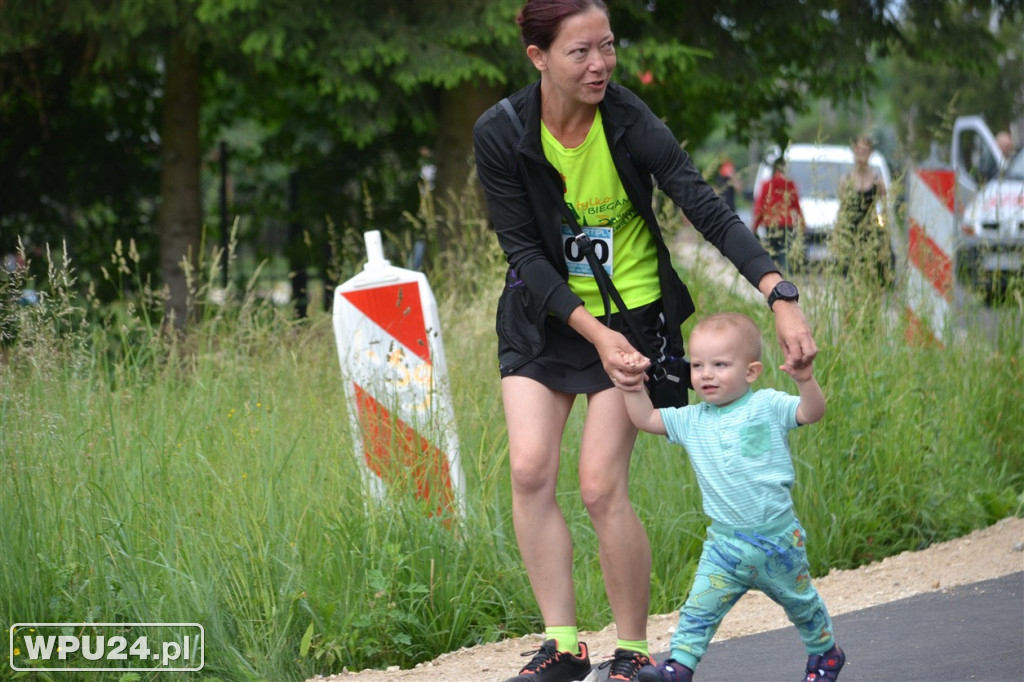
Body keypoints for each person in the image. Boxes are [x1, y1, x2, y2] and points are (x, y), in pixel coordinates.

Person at [472, 1, 818, 680]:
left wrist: (779, 293)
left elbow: (705, 205)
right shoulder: (503, 132)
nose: (600, 64)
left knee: (600, 486)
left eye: (608, 46)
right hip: (547, 316)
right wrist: (589, 331)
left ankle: (631, 650)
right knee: (529, 468)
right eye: (580, 52)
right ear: (538, 58)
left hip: (633, 324)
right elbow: (525, 254)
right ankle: (564, 644)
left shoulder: (629, 121)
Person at [616, 312, 844, 682]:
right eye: (699, 365)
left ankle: (825, 653)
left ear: (751, 372)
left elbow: (811, 412)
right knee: (698, 609)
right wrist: (631, 388)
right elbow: (646, 419)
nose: (706, 374)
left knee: (801, 605)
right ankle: (679, 667)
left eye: (720, 365)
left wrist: (805, 379)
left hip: (778, 541)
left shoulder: (766, 406)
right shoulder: (691, 419)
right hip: (723, 545)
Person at [833, 136, 891, 285]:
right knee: (849, 270)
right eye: (859, 150)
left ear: (870, 152)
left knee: (873, 270)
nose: (862, 154)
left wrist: (884, 231)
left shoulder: (877, 180)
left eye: (865, 150)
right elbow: (842, 209)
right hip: (851, 230)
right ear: (854, 151)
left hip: (870, 230)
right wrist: (838, 231)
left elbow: (884, 209)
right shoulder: (846, 180)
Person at [751, 157, 804, 274]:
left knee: (771, 254)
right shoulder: (790, 185)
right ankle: (785, 280)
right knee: (785, 253)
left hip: (771, 224)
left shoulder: (766, 184)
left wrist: (754, 227)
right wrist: (802, 224)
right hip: (787, 224)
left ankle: (773, 280)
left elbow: (760, 208)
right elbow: (797, 207)